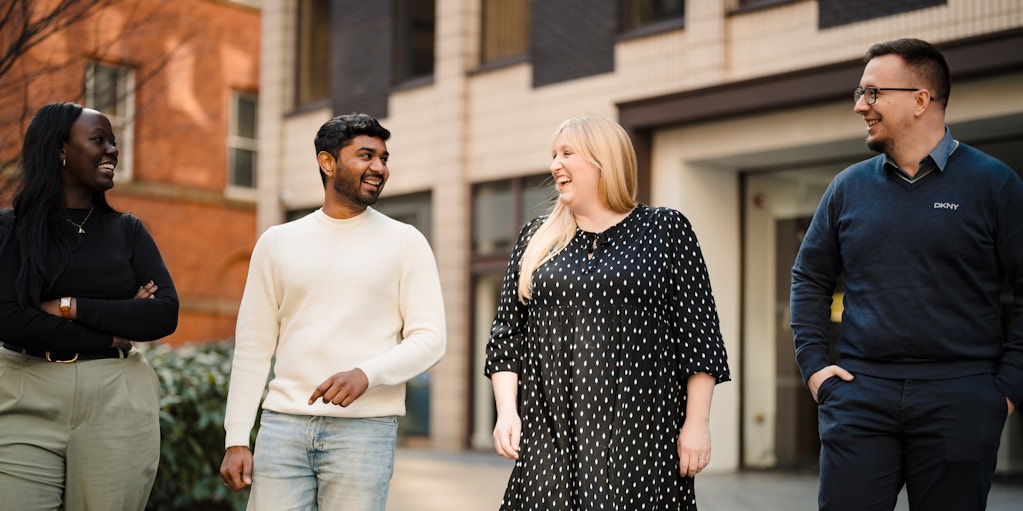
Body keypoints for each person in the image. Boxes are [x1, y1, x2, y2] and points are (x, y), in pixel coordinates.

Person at [790, 38, 1023, 511]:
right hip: (859, 394)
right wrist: (816, 369)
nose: (860, 106)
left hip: (961, 398)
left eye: (873, 93)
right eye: (859, 93)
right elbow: (809, 278)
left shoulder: (994, 184)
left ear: (921, 99)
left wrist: (1005, 390)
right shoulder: (847, 188)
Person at [486, 115, 730, 510]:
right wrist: (506, 413)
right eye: (553, 155)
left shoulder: (665, 229)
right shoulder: (536, 238)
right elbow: (506, 336)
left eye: (567, 153)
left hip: (643, 433)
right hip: (551, 434)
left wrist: (697, 424)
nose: (554, 165)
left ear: (603, 160)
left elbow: (699, 337)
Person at [219, 113, 446, 510]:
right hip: (282, 429)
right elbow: (254, 346)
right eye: (366, 155)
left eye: (383, 158)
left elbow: (430, 339)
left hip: (364, 433)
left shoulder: (405, 242)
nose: (379, 168)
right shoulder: (277, 243)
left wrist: (366, 374)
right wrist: (237, 437)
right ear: (328, 162)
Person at [0, 102, 179, 510]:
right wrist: (116, 326)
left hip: (114, 399)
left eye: (113, 142)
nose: (112, 150)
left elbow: (164, 312)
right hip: (24, 393)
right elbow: (10, 320)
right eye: (98, 140)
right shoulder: (9, 230)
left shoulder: (128, 231)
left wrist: (68, 306)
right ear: (61, 149)